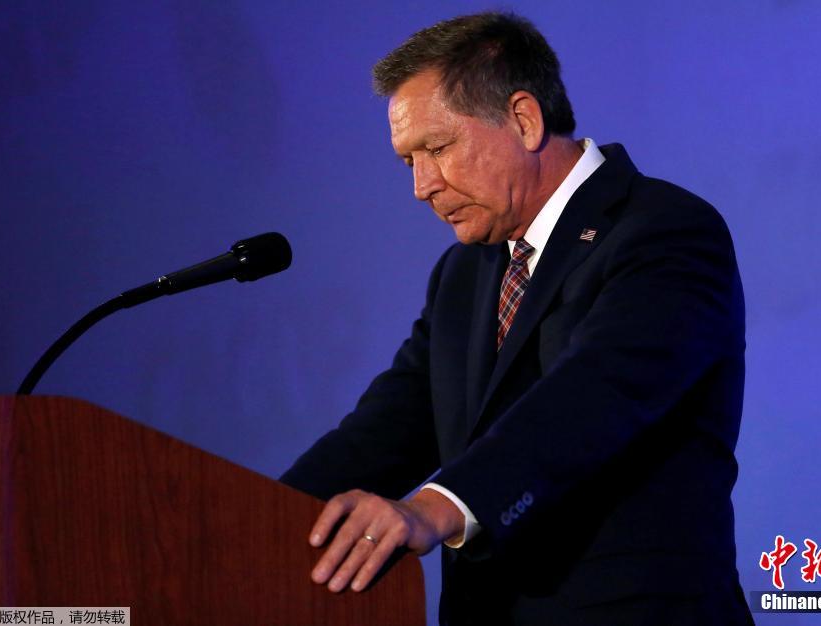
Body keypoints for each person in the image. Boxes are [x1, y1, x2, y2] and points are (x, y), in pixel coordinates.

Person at [281, 11, 753, 625]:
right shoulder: (465, 272)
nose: (422, 186)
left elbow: (598, 393)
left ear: (524, 120)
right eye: (408, 161)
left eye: (437, 148)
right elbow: (386, 428)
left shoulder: (664, 228)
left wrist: (435, 508)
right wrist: (258, 517)